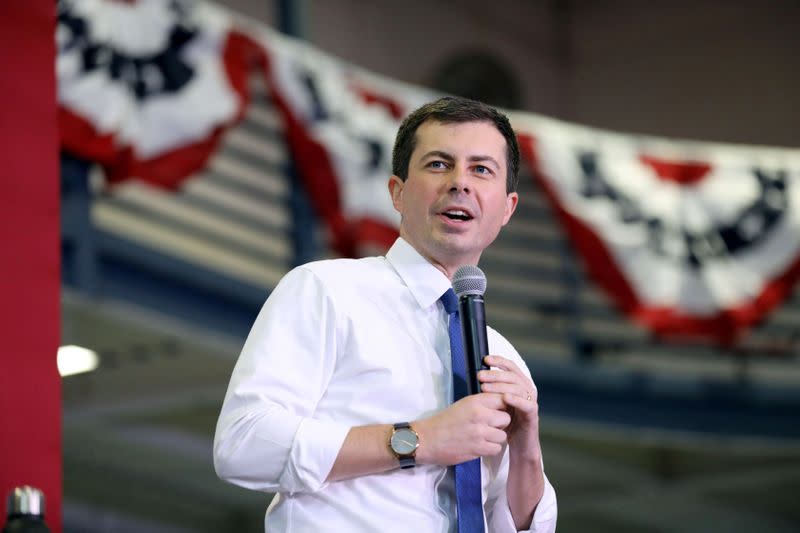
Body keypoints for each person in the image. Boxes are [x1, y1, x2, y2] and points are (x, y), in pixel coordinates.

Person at [214, 96, 557, 532]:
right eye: (438, 164)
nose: (459, 183)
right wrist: (420, 439)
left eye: (481, 169)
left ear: (507, 208)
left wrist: (526, 445)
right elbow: (243, 445)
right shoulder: (326, 290)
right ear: (397, 191)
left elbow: (523, 526)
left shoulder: (503, 356)